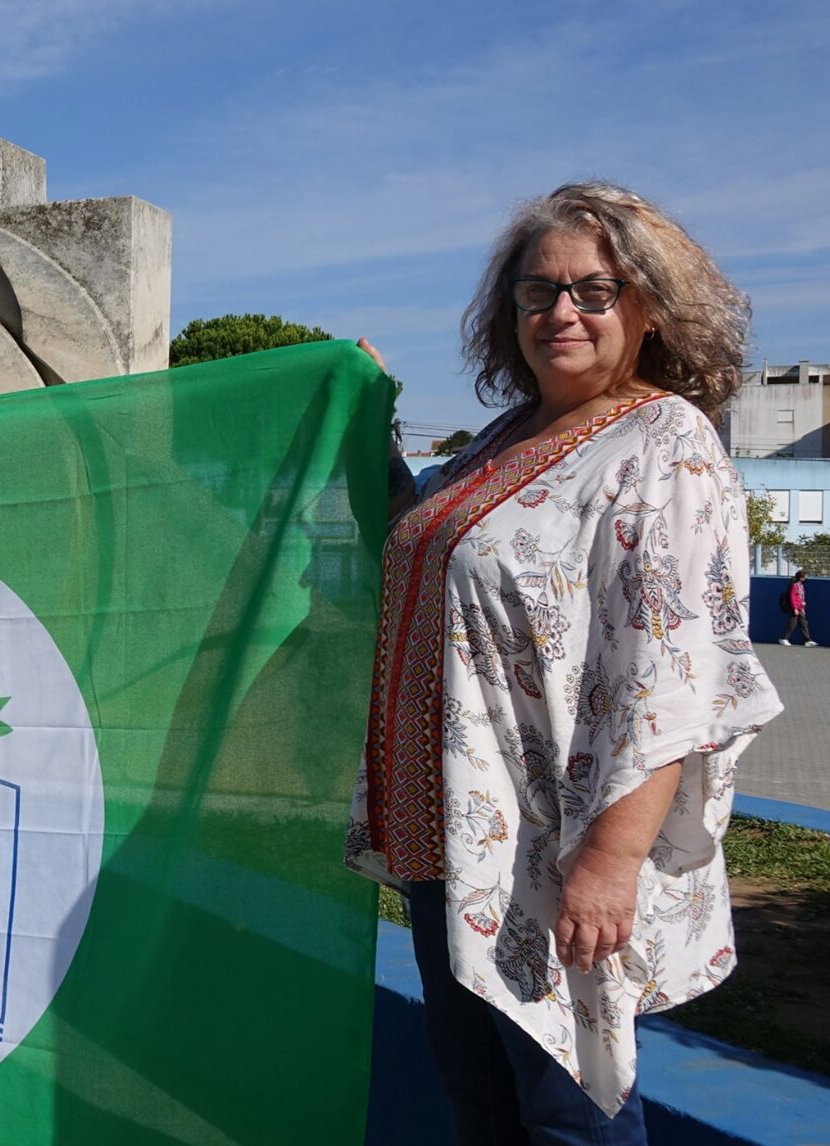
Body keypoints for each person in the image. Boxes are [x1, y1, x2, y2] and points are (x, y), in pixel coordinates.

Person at [346, 183, 782, 1141]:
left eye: (595, 290)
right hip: (447, 836)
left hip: (555, 848)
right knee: (483, 1105)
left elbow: (673, 671)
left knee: (569, 1112)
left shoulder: (664, 443)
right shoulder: (498, 444)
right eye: (536, 292)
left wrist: (612, 861)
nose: (561, 313)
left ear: (650, 306)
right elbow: (417, 543)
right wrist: (364, 418)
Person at [779, 569, 815, 646]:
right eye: (805, 577)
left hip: (800, 608)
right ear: (801, 578)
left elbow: (801, 597)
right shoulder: (795, 585)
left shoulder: (801, 586)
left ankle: (807, 640)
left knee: (804, 623)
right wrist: (795, 608)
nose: (806, 579)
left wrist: (802, 608)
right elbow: (792, 597)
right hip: (795, 608)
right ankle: (784, 638)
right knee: (792, 624)